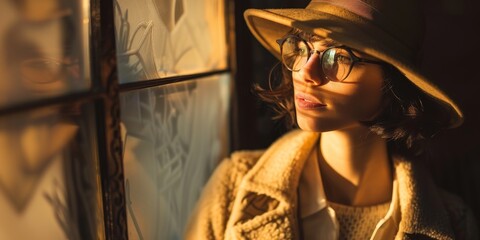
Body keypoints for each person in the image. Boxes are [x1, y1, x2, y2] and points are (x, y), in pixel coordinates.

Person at [185, 0, 479, 239]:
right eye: (302, 48)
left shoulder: (453, 222)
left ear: (393, 83)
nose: (305, 72)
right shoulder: (234, 187)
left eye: (340, 56)